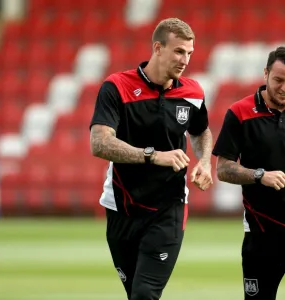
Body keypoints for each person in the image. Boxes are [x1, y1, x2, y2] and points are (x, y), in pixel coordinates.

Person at [89, 18, 213, 300]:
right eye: (179, 51)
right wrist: (154, 156)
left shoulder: (193, 92)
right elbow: (99, 143)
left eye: (190, 53)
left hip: (168, 207)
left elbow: (201, 130)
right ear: (158, 48)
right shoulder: (116, 87)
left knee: (145, 294)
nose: (185, 60)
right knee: (135, 293)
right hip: (121, 206)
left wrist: (204, 161)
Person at [212, 46, 285, 300]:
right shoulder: (240, 112)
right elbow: (223, 169)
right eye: (279, 80)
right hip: (262, 235)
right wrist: (260, 175)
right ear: (265, 74)